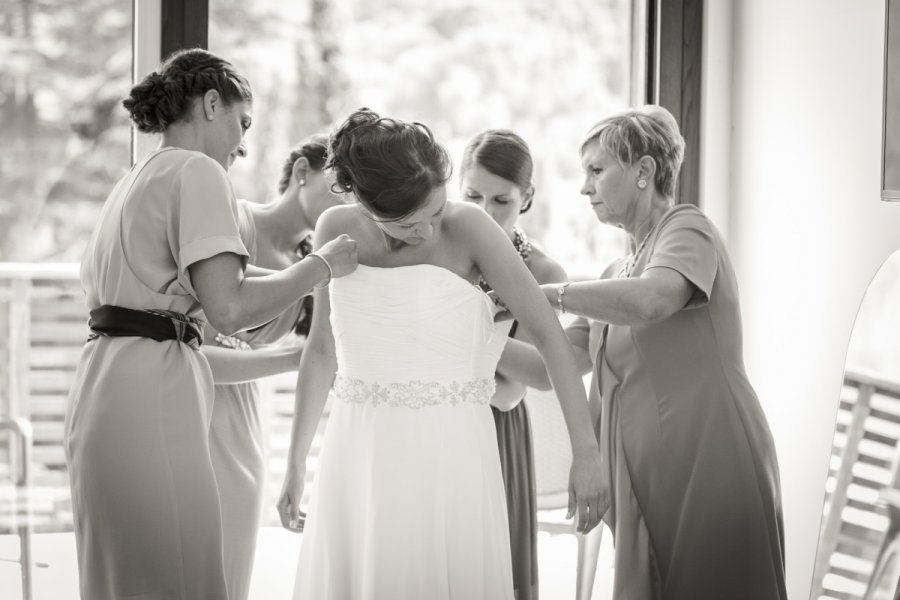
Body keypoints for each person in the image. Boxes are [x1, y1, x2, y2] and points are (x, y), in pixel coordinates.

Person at [63, 49, 357, 600]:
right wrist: (320, 266)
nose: (243, 145)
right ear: (211, 102)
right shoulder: (196, 171)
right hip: (152, 395)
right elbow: (229, 306)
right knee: (181, 576)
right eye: (242, 124)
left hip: (100, 390)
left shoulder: (133, 181)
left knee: (124, 580)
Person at [277, 108, 604, 600]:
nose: (430, 230)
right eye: (412, 222)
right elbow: (322, 349)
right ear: (366, 204)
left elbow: (549, 336)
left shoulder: (470, 227)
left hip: (451, 454)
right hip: (358, 450)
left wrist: (587, 453)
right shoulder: (332, 230)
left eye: (437, 210)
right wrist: (297, 462)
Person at [497, 105, 787, 599]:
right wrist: (476, 336)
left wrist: (551, 294)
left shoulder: (686, 228)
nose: (585, 188)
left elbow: (654, 301)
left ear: (644, 171)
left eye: (596, 170)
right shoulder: (615, 273)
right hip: (646, 482)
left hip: (709, 461)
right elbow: (555, 367)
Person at [201, 134, 342, 600]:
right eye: (338, 186)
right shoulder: (232, 223)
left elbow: (321, 354)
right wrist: (287, 359)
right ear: (303, 171)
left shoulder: (312, 266)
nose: (346, 203)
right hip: (193, 400)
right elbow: (193, 343)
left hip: (244, 419)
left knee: (231, 566)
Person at [459, 129, 567, 600]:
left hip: (498, 431)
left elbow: (515, 389)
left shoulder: (544, 274)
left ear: (528, 198)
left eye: (501, 200)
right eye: (471, 196)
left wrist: (461, 328)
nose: (484, 213)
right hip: (434, 420)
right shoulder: (442, 254)